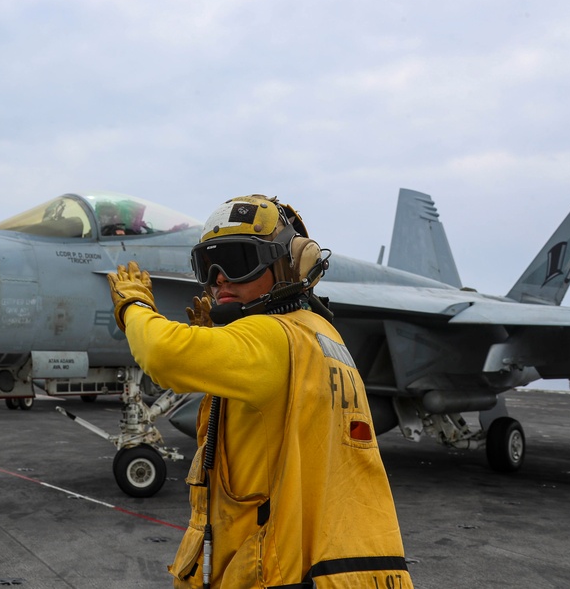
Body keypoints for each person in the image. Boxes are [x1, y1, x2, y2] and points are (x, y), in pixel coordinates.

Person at [108, 195, 412, 589]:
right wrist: (220, 340)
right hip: (333, 566)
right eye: (208, 265)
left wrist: (132, 304)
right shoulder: (320, 334)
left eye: (236, 263)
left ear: (290, 263)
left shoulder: (271, 336)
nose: (219, 279)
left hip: (277, 571)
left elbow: (161, 353)